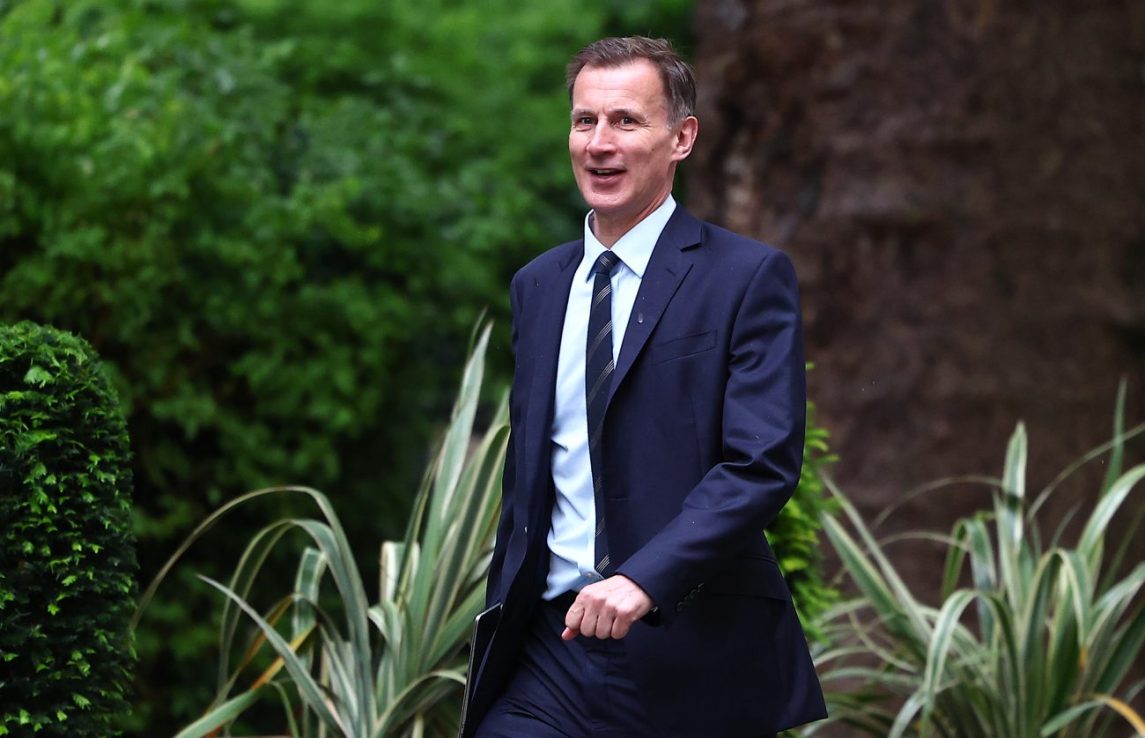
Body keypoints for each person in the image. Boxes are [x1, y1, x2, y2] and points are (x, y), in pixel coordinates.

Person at [466, 36, 827, 738]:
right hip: (548, 651)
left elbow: (760, 465)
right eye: (584, 121)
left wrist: (643, 579)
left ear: (681, 137)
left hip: (689, 652)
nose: (599, 142)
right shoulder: (537, 287)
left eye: (626, 121)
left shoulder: (745, 279)